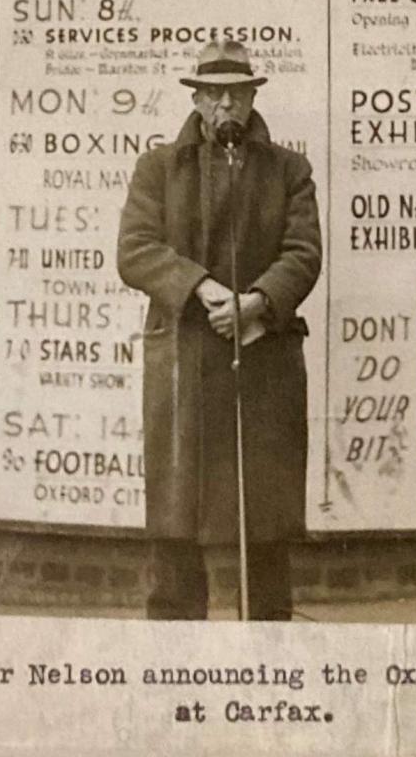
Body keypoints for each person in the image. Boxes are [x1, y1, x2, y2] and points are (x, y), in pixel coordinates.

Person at [118, 39, 321, 619]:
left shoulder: (289, 170)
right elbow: (135, 250)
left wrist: (257, 302)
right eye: (214, 94)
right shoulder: (158, 168)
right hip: (184, 362)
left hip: (263, 362)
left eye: (237, 93)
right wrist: (203, 287)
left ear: (254, 96)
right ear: (198, 100)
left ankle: (266, 647)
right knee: (177, 517)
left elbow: (303, 253)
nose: (226, 106)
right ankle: (175, 656)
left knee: (263, 516)